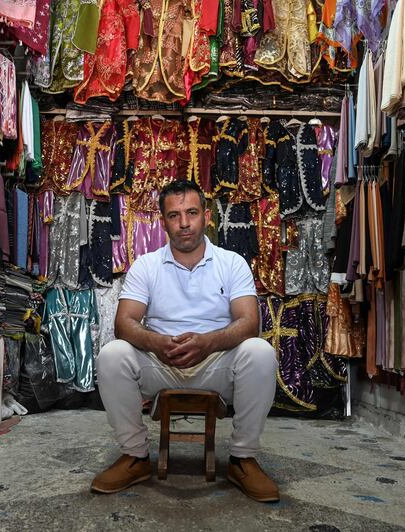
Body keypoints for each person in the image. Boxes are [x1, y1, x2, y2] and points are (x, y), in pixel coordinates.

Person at [91, 180, 279, 502]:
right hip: (160, 363)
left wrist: (207, 342)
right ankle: (135, 457)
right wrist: (157, 343)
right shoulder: (146, 265)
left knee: (259, 351)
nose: (184, 223)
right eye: (174, 215)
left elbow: (250, 323)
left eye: (191, 213)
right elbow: (124, 323)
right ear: (163, 221)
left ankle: (242, 459)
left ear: (206, 215)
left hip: (215, 362)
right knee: (113, 354)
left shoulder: (231, 263)